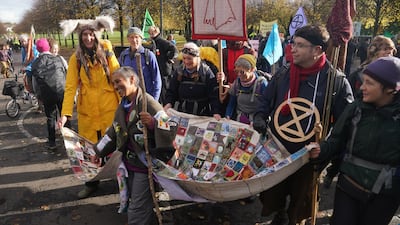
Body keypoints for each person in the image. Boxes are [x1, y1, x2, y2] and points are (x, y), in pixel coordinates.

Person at [252, 24, 354, 225]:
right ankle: (279, 214)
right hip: (278, 149)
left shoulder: (336, 81)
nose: (293, 49)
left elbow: (345, 125)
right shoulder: (283, 73)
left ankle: (295, 220)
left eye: (300, 45)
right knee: (274, 192)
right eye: (293, 43)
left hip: (309, 154)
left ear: (317, 50)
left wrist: (327, 150)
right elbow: (265, 101)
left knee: (302, 198)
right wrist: (259, 117)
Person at [309, 56, 400, 225]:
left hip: (385, 194)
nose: (362, 87)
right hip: (349, 186)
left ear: (389, 89)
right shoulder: (356, 108)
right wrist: (322, 150)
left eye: (370, 83)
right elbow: (336, 140)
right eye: (363, 81)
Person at [92, 66, 176, 225]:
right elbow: (114, 131)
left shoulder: (148, 102)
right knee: (138, 200)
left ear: (132, 79)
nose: (116, 87)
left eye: (118, 82)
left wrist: (152, 123)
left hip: (145, 165)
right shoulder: (123, 105)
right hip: (129, 164)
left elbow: (170, 127)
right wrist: (99, 151)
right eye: (114, 83)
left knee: (137, 206)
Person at [58, 17, 120, 199]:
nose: (88, 38)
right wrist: (65, 114)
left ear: (97, 35)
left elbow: (117, 78)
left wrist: (126, 104)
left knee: (115, 147)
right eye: (84, 34)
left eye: (91, 34)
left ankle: (122, 181)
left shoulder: (107, 52)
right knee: (89, 150)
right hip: (88, 114)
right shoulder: (75, 59)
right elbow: (70, 88)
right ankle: (91, 183)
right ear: (80, 37)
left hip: (109, 110)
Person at [324, 35, 397, 188]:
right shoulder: (359, 73)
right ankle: (333, 170)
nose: (389, 54)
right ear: (374, 51)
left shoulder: (395, 75)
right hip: (358, 123)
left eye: (391, 50)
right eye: (385, 50)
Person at [164, 42, 221, 120]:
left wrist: (216, 112)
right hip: (183, 114)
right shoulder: (179, 72)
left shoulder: (206, 72)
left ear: (197, 58)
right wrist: (168, 104)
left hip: (201, 116)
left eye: (189, 58)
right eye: (184, 58)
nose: (186, 62)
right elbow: (171, 91)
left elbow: (214, 95)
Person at [31, 38, 69, 150]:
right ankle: (69, 139)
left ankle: (52, 142)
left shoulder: (35, 63)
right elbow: (65, 74)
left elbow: (35, 83)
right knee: (65, 114)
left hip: (47, 94)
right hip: (61, 90)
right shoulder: (58, 59)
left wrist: (38, 96)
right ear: (49, 47)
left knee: (50, 118)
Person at [220, 54, 269, 125]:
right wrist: (228, 116)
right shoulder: (237, 83)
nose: (239, 75)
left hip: (257, 121)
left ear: (252, 69)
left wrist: (259, 120)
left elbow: (266, 105)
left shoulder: (261, 84)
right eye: (237, 72)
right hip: (240, 120)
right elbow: (231, 103)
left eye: (242, 72)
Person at [118, 27, 162, 101]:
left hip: (146, 98)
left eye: (136, 37)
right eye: (131, 37)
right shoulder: (124, 55)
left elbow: (157, 79)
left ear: (141, 39)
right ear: (128, 39)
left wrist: (154, 100)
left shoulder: (148, 55)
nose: (134, 40)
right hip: (129, 99)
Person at [148, 25, 178, 104]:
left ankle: (166, 105)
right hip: (159, 67)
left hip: (164, 68)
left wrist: (169, 58)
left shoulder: (161, 41)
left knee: (164, 88)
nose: (150, 34)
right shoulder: (154, 42)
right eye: (149, 33)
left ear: (156, 32)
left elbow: (173, 49)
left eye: (152, 32)